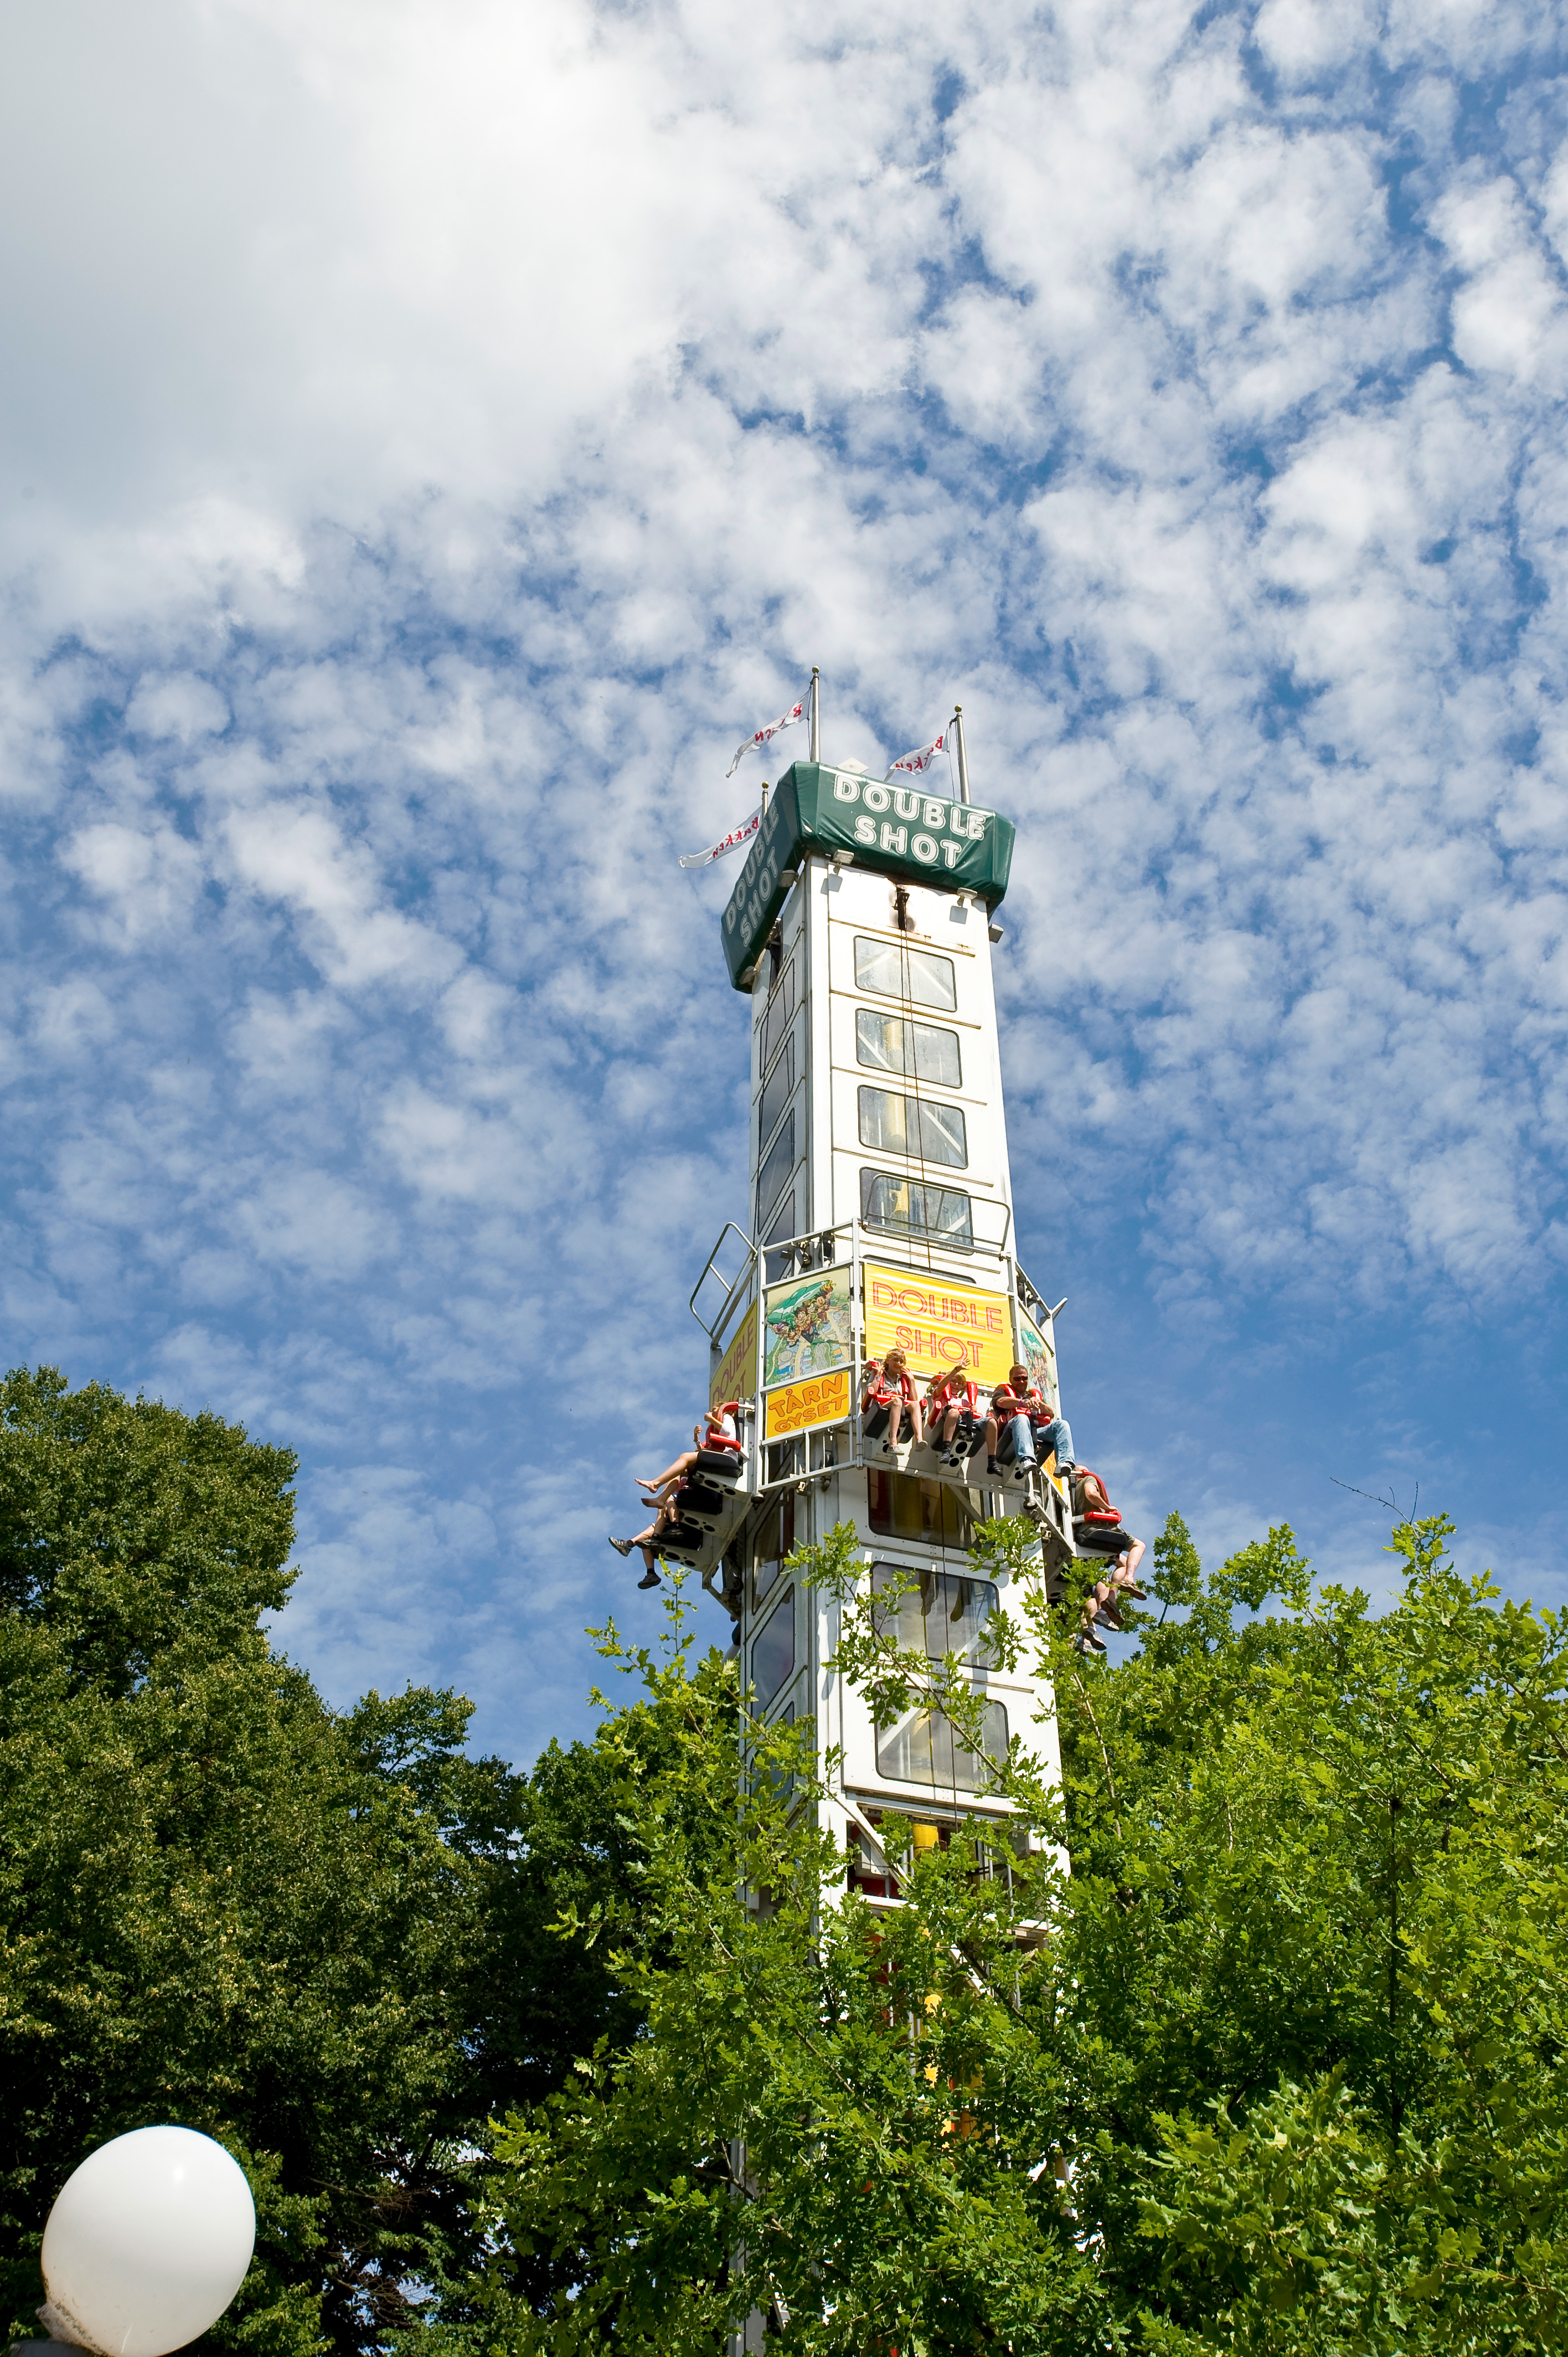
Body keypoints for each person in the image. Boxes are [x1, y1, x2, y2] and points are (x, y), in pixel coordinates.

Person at [925, 1361, 989, 1473]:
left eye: (959, 1383)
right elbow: (941, 1385)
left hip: (964, 1426)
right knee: (953, 1412)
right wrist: (956, 1371)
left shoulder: (965, 1402)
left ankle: (991, 1459)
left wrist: (973, 1410)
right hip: (944, 1425)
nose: (956, 1385)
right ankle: (946, 1448)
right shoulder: (941, 1396)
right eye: (953, 1382)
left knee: (989, 1421)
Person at [860, 1350, 922, 1453]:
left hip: (900, 1405)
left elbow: (914, 1400)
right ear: (888, 1361)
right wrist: (878, 1376)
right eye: (895, 1360)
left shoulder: (903, 1378)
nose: (898, 1363)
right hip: (881, 1407)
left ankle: (919, 1439)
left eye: (901, 1361)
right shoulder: (880, 1374)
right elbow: (871, 1392)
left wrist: (911, 1380)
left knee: (916, 1405)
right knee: (897, 1402)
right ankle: (893, 1443)